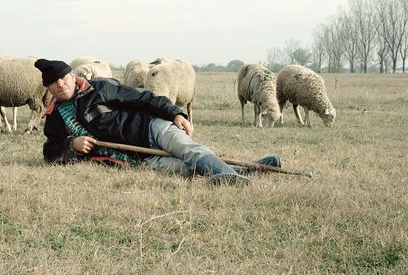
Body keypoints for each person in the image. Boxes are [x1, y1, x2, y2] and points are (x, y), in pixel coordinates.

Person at [34, 58, 281, 186]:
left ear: (71, 76)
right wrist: (71, 144)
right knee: (188, 169)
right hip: (136, 157)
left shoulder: (100, 88)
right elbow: (49, 150)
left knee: (191, 151)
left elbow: (143, 98)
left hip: (151, 129)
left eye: (63, 78)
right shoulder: (55, 116)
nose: (60, 85)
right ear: (48, 87)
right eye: (53, 83)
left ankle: (234, 181)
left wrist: (175, 113)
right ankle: (251, 170)